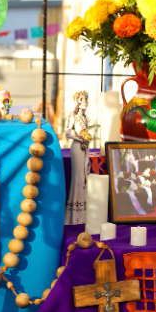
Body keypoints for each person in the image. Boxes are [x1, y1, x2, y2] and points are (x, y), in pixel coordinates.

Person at [65, 91, 90, 225]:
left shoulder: (85, 118)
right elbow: (68, 133)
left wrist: (85, 141)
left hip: (85, 147)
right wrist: (79, 138)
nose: (85, 102)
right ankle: (75, 216)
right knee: (79, 179)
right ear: (77, 102)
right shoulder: (73, 116)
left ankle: (83, 214)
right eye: (82, 100)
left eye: (86, 99)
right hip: (77, 147)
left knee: (85, 176)